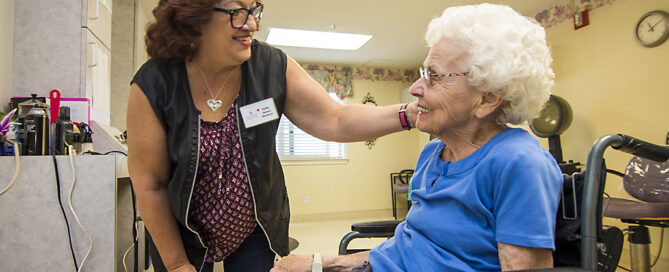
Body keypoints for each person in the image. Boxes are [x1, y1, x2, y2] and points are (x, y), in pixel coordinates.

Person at [126, 1, 419, 272]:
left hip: (254, 228)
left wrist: (410, 114)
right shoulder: (155, 83)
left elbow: (336, 119)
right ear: (194, 17)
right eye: (236, 12)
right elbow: (151, 185)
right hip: (181, 233)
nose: (252, 23)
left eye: (254, 10)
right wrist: (177, 265)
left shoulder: (270, 66)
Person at [272, 3, 563, 272]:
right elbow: (404, 248)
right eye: (424, 73)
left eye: (434, 77)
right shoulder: (433, 153)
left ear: (486, 99)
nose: (415, 87)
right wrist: (322, 263)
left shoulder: (519, 163)